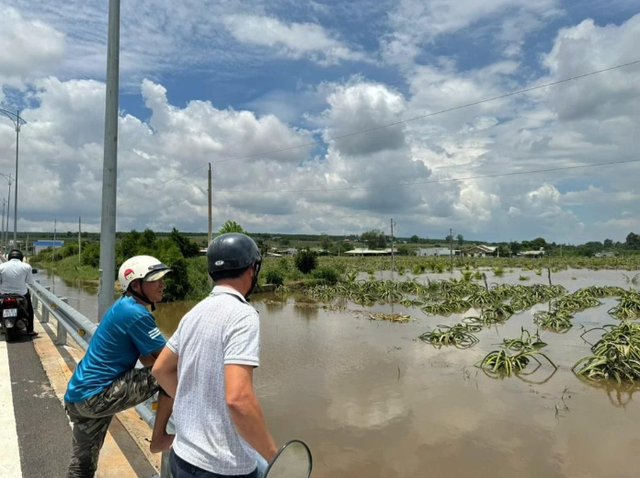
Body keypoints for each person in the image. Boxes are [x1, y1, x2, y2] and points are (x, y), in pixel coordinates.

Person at [153, 233, 277, 478]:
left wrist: (195, 405)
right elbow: (239, 399)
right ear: (252, 268)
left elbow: (161, 369)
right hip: (223, 467)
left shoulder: (195, 313)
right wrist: (275, 459)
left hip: (183, 455)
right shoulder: (242, 315)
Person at [64, 255, 175, 478]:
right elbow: (168, 362)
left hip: (78, 397)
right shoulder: (136, 313)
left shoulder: (123, 307)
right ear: (136, 284)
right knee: (169, 371)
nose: (162, 283)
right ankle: (160, 438)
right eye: (155, 279)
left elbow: (147, 358)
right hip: (98, 395)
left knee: (82, 468)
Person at [0, 249, 36, 336]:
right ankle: (30, 330)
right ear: (21, 257)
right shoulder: (26, 266)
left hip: (4, 294)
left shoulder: (1, 267)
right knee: (29, 310)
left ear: (9, 257)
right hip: (22, 294)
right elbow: (30, 282)